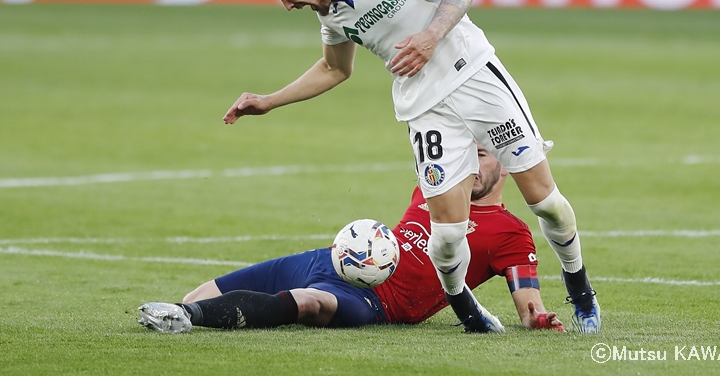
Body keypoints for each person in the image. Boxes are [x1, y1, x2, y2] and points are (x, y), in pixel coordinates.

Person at [221, 0, 600, 333]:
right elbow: (334, 68)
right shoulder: (331, 16)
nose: (286, 5)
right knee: (448, 236)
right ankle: (469, 313)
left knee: (546, 203)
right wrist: (270, 100)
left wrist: (431, 37)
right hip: (425, 108)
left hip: (475, 77)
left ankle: (581, 291)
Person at [138, 147, 565, 333]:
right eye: (464, 154)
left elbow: (528, 306)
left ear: (506, 165)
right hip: (331, 260)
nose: (468, 165)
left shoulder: (511, 233)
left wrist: (539, 317)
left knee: (308, 302)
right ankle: (182, 309)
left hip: (374, 301)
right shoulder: (433, 188)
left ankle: (185, 318)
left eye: (481, 156)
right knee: (199, 294)